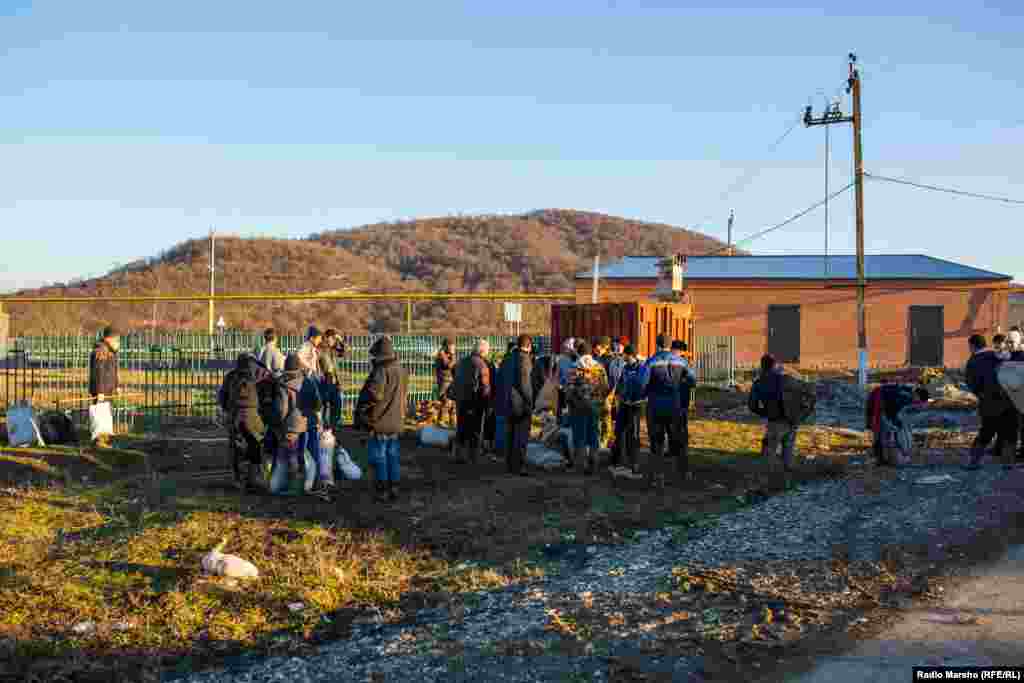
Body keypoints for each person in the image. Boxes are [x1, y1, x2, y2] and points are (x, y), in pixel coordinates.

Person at [354, 336, 409, 501]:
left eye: (374, 355)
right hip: (396, 419)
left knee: (379, 457)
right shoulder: (402, 369)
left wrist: (363, 409)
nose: (372, 359)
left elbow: (374, 394)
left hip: (380, 421)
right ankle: (394, 487)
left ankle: (382, 489)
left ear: (379, 354)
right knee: (393, 455)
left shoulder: (381, 370)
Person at [638, 334, 696, 486]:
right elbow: (692, 380)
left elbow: (642, 384)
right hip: (675, 406)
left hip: (656, 407)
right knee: (679, 439)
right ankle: (683, 472)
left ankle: (658, 477)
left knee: (656, 443)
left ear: (656, 345)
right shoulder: (681, 361)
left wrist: (646, 394)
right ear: (670, 346)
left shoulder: (651, 361)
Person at [269, 353, 322, 495]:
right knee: (303, 456)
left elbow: (281, 410)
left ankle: (292, 487)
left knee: (289, 457)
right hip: (306, 425)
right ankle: (310, 483)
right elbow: (317, 404)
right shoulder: (308, 382)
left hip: (290, 426)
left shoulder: (283, 385)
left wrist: (274, 423)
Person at [965, 334, 1018, 470]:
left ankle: (974, 462)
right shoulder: (998, 354)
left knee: (986, 431)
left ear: (972, 346)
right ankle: (1008, 463)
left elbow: (972, 384)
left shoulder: (973, 361)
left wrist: (981, 394)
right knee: (1010, 432)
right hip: (1009, 399)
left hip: (989, 401)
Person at [218, 353, 270, 491]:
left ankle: (238, 479)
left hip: (234, 415)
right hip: (253, 416)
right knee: (256, 445)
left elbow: (222, 397)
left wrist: (229, 410)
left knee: (236, 448)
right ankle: (255, 478)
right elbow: (266, 396)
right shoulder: (259, 376)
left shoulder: (231, 376)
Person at [566, 341, 611, 475]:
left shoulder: (574, 367)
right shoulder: (599, 367)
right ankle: (594, 462)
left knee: (579, 435)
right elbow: (605, 388)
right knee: (594, 435)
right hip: (595, 406)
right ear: (590, 353)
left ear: (578, 352)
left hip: (578, 407)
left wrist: (571, 402)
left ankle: (581, 464)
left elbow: (569, 390)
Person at [749, 353, 796, 471]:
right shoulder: (786, 379)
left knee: (770, 453)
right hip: (791, 420)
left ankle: (769, 481)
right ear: (774, 365)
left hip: (774, 421)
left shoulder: (759, 383)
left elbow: (752, 405)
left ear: (762, 366)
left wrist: (765, 412)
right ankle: (788, 479)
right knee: (788, 452)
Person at [451, 339, 492, 464]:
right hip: (475, 401)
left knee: (461, 428)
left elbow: (454, 374)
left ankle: (457, 454)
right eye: (487, 351)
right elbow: (485, 386)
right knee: (475, 430)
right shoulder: (482, 365)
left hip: (460, 400)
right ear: (482, 351)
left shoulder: (462, 361)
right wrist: (487, 402)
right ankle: (473, 456)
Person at [499, 335, 534, 476]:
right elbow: (525, 384)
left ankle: (508, 465)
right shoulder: (524, 359)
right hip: (520, 404)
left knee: (510, 434)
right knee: (521, 435)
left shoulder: (507, 358)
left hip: (507, 402)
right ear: (529, 345)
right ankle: (519, 467)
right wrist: (530, 402)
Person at [609, 345, 645, 477]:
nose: (623, 357)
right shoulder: (625, 368)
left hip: (635, 406)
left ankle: (634, 464)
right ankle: (615, 461)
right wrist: (617, 396)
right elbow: (620, 384)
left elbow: (642, 386)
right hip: (623, 405)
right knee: (618, 432)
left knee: (633, 436)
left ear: (630, 355)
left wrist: (637, 398)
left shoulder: (641, 368)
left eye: (625, 355)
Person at [88, 325, 121, 448]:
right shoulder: (101, 351)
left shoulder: (111, 352)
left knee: (106, 414)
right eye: (116, 340)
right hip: (101, 390)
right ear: (109, 339)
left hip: (108, 389)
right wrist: (100, 391)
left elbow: (114, 371)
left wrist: (116, 386)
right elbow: (99, 372)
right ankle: (99, 440)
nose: (118, 343)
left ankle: (105, 439)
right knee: (100, 414)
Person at [317, 329, 343, 431]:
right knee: (325, 407)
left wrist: (340, 340)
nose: (333, 341)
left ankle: (334, 429)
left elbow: (344, 352)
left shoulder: (333, 349)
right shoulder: (321, 349)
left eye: (334, 339)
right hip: (325, 382)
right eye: (331, 339)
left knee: (337, 407)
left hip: (335, 383)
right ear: (327, 338)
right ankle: (325, 430)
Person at [434, 339, 457, 428]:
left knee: (453, 404)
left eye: (454, 346)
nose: (453, 347)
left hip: (450, 382)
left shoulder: (448, 355)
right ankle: (440, 423)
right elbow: (449, 365)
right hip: (444, 383)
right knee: (445, 403)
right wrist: (453, 355)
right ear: (446, 346)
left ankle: (453, 424)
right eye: (452, 345)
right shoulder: (441, 354)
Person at [556, 338, 578, 424]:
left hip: (569, 391)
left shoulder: (563, 360)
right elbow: (557, 376)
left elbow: (557, 376)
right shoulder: (562, 360)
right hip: (566, 391)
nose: (565, 350)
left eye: (567, 348)